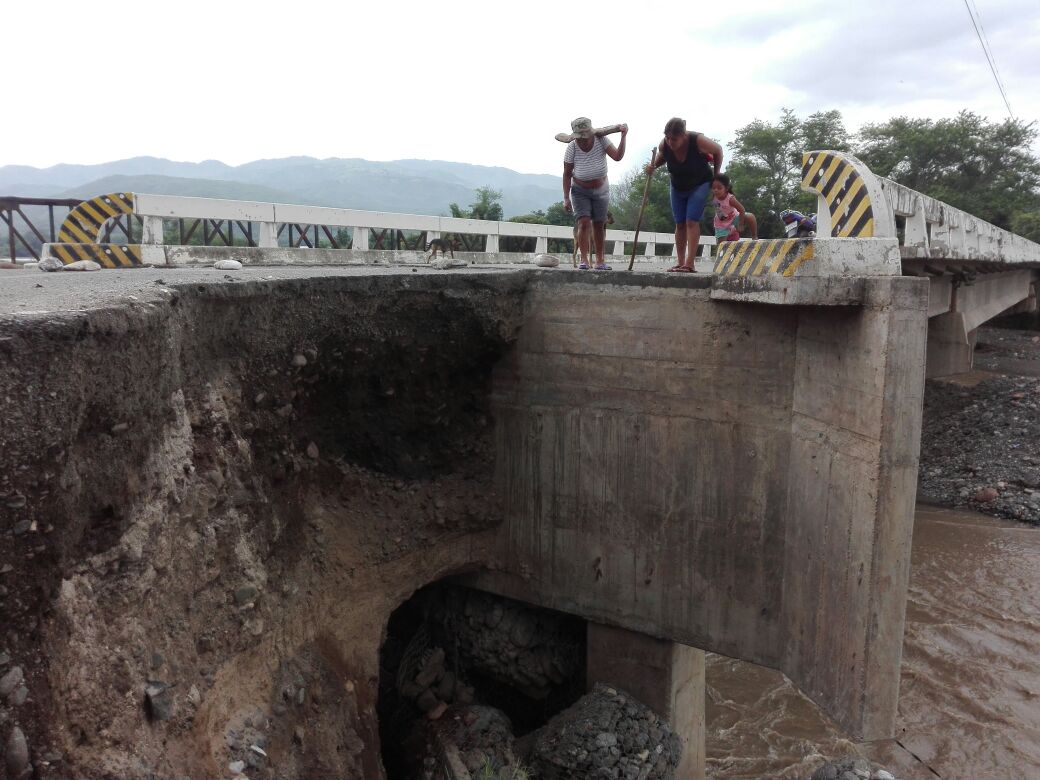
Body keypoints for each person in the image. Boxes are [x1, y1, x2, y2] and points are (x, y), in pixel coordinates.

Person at [645, 117, 723, 272]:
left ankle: (690, 263)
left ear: (684, 136)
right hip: (677, 185)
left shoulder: (698, 140)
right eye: (667, 137)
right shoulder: (664, 144)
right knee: (679, 223)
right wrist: (653, 166)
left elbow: (718, 150)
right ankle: (680, 262)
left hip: (700, 183)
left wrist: (716, 176)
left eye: (674, 139)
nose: (670, 142)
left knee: (691, 221)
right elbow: (662, 156)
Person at [562, 117, 627, 270]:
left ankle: (600, 261)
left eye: (585, 138)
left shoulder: (601, 140)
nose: (583, 141)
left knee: (599, 224)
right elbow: (566, 174)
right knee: (583, 223)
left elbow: (617, 156)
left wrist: (623, 137)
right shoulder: (571, 148)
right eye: (580, 138)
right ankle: (584, 260)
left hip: (601, 189)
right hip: (579, 190)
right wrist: (566, 198)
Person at [711, 174, 758, 241]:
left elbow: (742, 209)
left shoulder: (730, 199)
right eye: (713, 188)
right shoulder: (714, 199)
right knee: (722, 245)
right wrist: (725, 220)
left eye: (719, 188)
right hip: (722, 223)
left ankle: (754, 237)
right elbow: (719, 213)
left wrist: (741, 224)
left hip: (734, 217)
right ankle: (732, 232)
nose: (716, 190)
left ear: (726, 188)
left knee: (750, 216)